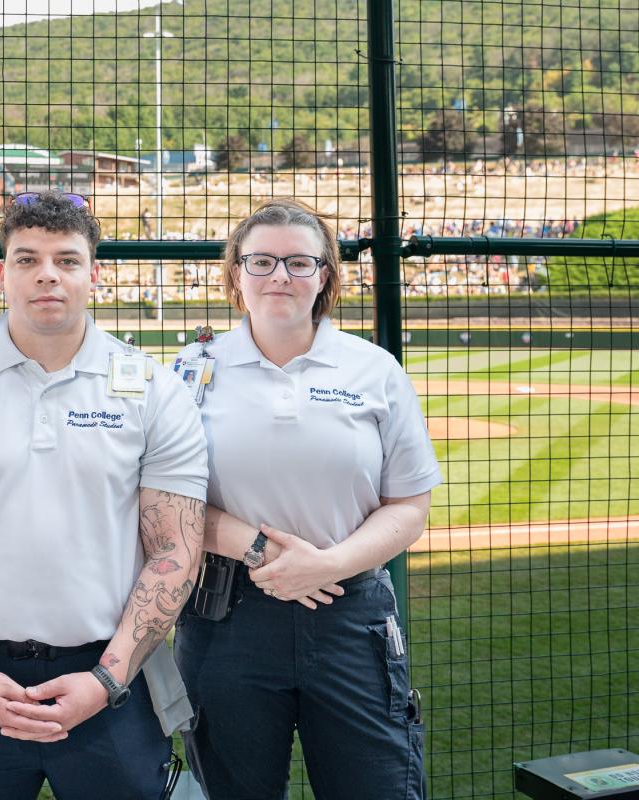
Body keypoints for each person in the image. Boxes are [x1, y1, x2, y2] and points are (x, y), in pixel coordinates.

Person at [0, 190, 208, 800]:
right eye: (27, 259)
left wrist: (106, 681)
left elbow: (175, 551)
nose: (47, 276)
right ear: (0, 273)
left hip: (111, 679)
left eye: (66, 259)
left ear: (94, 274)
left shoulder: (154, 393)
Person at [173, 199, 441, 800]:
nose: (280, 276)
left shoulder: (374, 369)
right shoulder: (190, 371)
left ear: (325, 275)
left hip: (350, 611)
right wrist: (264, 550)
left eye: (299, 262)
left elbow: (409, 504)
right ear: (235, 273)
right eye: (261, 261)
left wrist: (328, 565)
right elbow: (167, 503)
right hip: (228, 614)